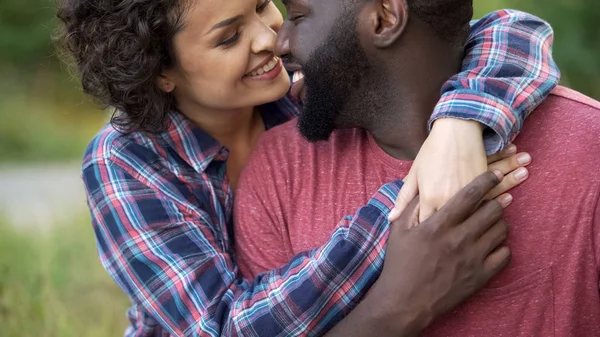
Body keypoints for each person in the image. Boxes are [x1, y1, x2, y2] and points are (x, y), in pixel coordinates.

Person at [55, 0, 558, 335]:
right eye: (230, 37)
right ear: (161, 71)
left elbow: (507, 31)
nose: (270, 38)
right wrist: (406, 201)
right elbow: (222, 326)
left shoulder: (300, 91)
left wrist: (458, 122)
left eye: (259, 5)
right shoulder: (127, 162)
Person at [234, 0, 600, 336]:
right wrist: (399, 305)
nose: (279, 43)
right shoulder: (278, 171)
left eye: (297, 16)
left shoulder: (586, 153)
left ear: (385, 18)